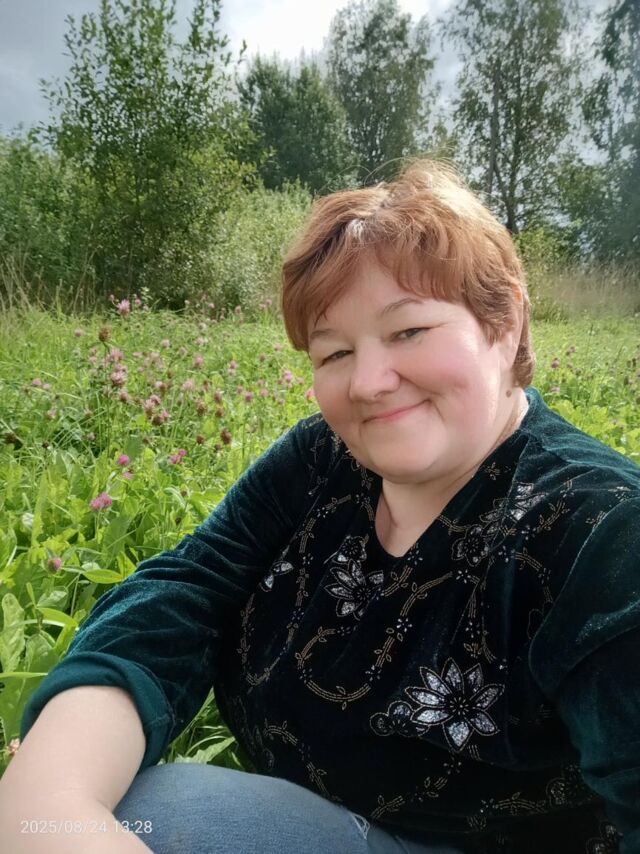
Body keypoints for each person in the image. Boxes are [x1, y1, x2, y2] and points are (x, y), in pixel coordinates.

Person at [2, 160, 639, 854]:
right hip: (333, 827)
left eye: (408, 331)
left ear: (505, 323)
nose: (368, 382)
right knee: (143, 806)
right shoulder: (322, 460)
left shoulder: (601, 528)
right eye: (334, 352)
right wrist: (50, 794)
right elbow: (188, 592)